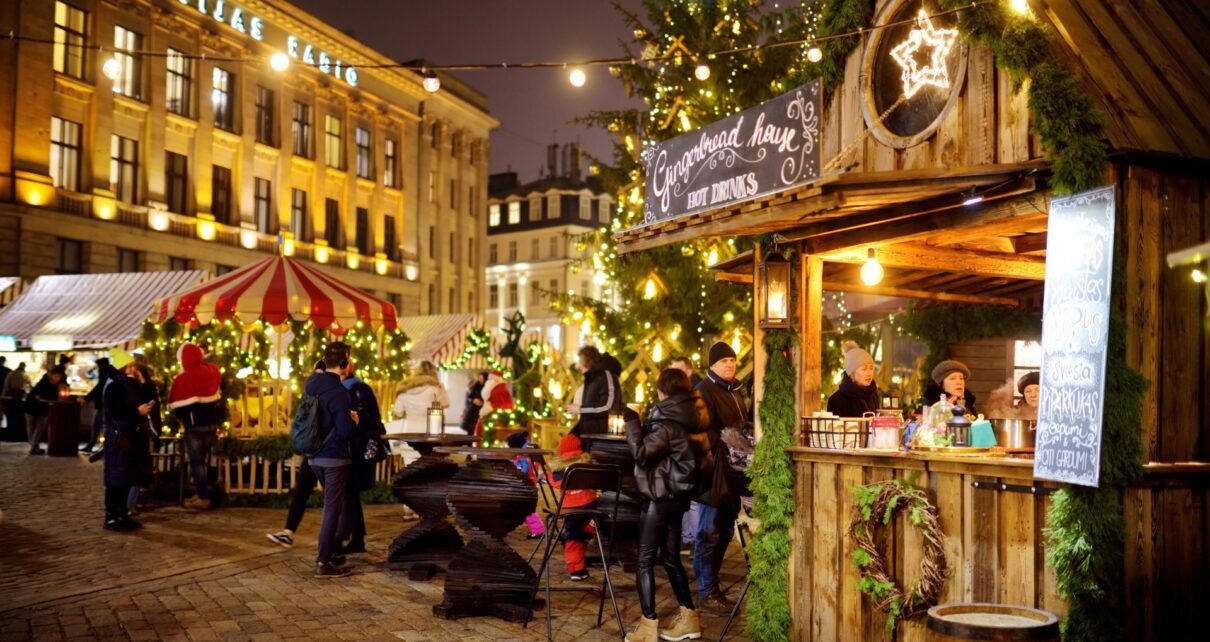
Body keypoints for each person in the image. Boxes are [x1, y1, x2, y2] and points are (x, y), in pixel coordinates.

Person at [624, 368, 703, 642]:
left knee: (644, 560)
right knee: (671, 559)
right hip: (678, 498)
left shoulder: (667, 423)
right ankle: (690, 617)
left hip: (659, 497)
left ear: (662, 392)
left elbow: (641, 453)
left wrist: (631, 419)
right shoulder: (694, 417)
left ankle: (648, 627)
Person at [691, 341, 748, 613]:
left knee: (725, 530)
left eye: (732, 360)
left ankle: (709, 580)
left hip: (732, 472)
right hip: (712, 473)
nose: (730, 364)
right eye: (724, 360)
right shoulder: (704, 391)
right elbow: (700, 430)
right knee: (707, 532)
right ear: (712, 365)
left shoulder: (735, 390)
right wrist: (728, 442)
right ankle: (706, 591)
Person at [306, 342, 358, 578]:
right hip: (334, 457)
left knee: (334, 505)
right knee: (332, 509)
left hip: (314, 456)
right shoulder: (339, 392)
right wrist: (353, 419)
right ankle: (323, 561)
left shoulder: (311, 385)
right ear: (345, 362)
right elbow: (343, 431)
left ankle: (331, 551)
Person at [268, 361, 327, 549]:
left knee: (332, 496)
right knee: (303, 491)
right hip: (315, 450)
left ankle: (338, 537)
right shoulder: (317, 392)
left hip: (324, 452)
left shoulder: (325, 391)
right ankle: (288, 532)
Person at [102, 349, 155, 531]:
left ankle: (122, 515)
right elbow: (114, 413)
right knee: (117, 480)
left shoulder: (131, 384)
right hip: (120, 440)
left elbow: (149, 397)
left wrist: (144, 383)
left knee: (127, 478)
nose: (134, 369)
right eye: (130, 366)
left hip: (132, 437)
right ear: (122, 368)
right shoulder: (115, 386)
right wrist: (136, 412)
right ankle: (112, 516)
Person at [337, 361, 384, 555]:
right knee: (351, 494)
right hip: (350, 448)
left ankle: (342, 536)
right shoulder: (341, 389)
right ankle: (357, 539)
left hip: (358, 449)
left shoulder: (359, 389)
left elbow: (373, 419)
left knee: (349, 492)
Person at [168, 343, 222, 509]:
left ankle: (203, 498)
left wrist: (183, 419)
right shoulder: (210, 371)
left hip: (194, 427)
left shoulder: (183, 378)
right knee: (203, 462)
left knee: (196, 463)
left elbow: (177, 405)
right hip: (210, 424)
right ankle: (200, 493)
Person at [547, 424, 596, 580]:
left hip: (570, 509)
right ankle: (590, 528)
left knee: (572, 536)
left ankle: (577, 570)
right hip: (591, 506)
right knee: (591, 520)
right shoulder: (588, 464)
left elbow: (553, 482)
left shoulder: (558, 470)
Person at [570, 346, 623, 435]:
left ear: (588, 360)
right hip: (589, 436)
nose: (578, 366)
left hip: (601, 438)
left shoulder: (606, 376)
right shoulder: (591, 379)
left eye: (580, 361)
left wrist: (581, 409)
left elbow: (608, 406)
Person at [506, 430, 545, 539]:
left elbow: (524, 472)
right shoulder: (524, 455)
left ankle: (538, 530)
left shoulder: (523, 459)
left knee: (527, 511)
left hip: (525, 489)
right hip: (524, 488)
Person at [392, 361, 450, 433]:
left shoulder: (405, 388)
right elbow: (445, 403)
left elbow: (398, 412)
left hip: (409, 430)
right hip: (431, 430)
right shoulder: (436, 388)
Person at [827, 341, 880, 417]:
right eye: (864, 369)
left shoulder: (873, 394)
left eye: (871, 368)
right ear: (852, 372)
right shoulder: (836, 400)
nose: (869, 373)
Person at [24, 366, 65, 455]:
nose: (57, 378)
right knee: (31, 427)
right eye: (56, 376)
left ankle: (34, 446)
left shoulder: (56, 385)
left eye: (59, 377)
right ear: (51, 375)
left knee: (40, 427)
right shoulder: (43, 383)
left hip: (43, 409)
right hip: (31, 408)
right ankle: (34, 446)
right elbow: (38, 396)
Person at [81, 358, 112, 452]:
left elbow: (98, 388)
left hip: (103, 405)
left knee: (101, 426)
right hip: (102, 405)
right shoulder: (107, 374)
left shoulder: (104, 375)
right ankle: (92, 445)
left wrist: (86, 398)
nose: (97, 367)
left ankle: (104, 447)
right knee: (97, 425)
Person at [477, 370, 514, 436]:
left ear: (495, 379)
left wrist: (488, 411)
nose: (488, 381)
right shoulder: (495, 388)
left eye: (490, 379)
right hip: (490, 414)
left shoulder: (500, 389)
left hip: (494, 416)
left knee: (482, 433)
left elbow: (501, 405)